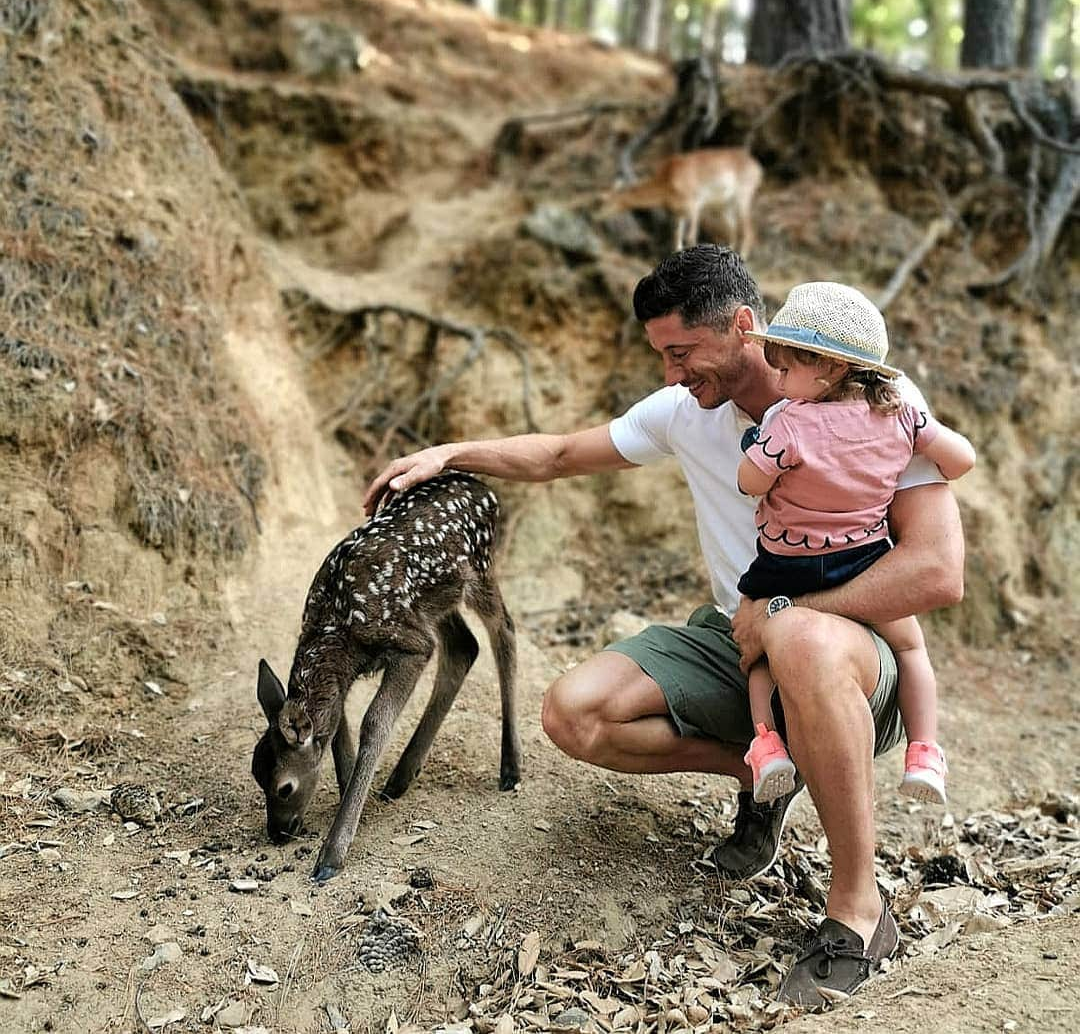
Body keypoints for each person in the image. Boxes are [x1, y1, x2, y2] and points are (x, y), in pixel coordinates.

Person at [362, 246, 966, 1010]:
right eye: (663, 356)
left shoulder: (868, 397)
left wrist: (790, 609)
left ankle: (858, 910)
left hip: (852, 649)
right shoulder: (686, 414)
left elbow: (940, 569)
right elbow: (556, 454)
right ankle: (769, 770)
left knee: (802, 640)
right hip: (735, 642)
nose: (674, 373)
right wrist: (449, 452)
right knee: (575, 712)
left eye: (682, 352)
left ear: (744, 326)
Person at [733, 282, 976, 809]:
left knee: (753, 648)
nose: (777, 379)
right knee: (911, 648)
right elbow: (960, 460)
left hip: (787, 564)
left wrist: (755, 451)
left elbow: (750, 482)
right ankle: (925, 751)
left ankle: (767, 745)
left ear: (828, 368)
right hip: (860, 562)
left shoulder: (789, 423)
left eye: (786, 368)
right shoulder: (901, 416)